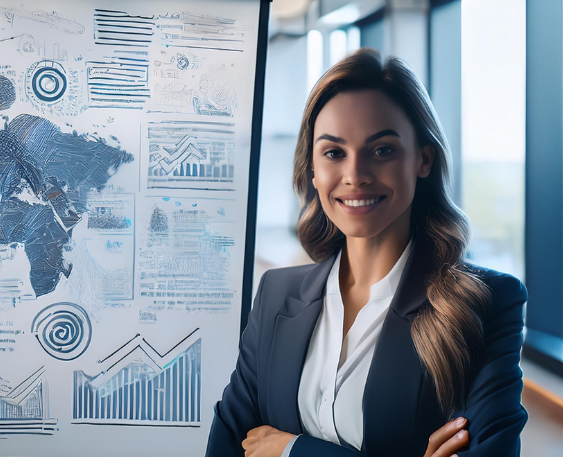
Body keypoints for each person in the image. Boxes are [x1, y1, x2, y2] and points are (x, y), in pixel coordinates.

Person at [205, 48, 528, 457]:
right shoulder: (275, 294)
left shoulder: (484, 302)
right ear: (312, 170)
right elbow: (227, 447)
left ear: (423, 159)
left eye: (382, 150)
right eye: (333, 153)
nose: (355, 175)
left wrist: (294, 451)